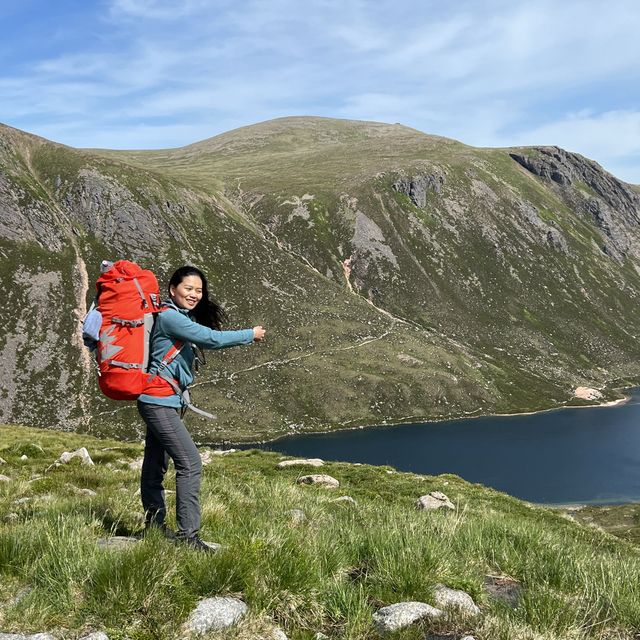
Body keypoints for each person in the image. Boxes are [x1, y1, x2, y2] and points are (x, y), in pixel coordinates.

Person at [137, 265, 265, 551]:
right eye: (188, 289)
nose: (195, 294)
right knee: (191, 463)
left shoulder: (176, 316)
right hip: (158, 401)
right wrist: (250, 334)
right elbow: (212, 339)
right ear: (172, 290)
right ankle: (188, 536)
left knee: (155, 465)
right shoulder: (171, 317)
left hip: (161, 400)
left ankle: (155, 528)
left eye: (199, 290)